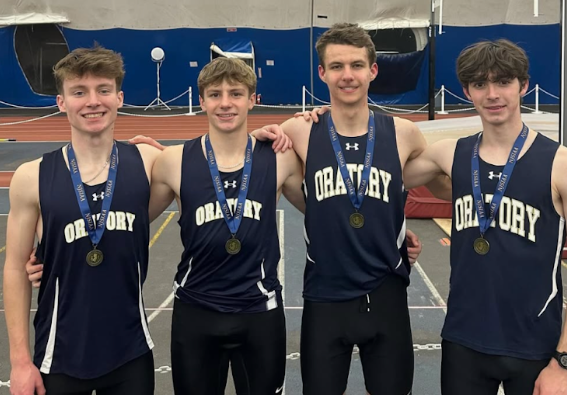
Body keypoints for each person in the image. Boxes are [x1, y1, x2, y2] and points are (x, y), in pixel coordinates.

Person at [255, 22, 441, 395]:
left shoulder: (403, 133)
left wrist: (399, 230)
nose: (347, 75)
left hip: (387, 293)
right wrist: (255, 136)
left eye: (356, 65)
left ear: (373, 70)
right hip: (326, 296)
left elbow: (444, 179)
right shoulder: (300, 130)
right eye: (336, 66)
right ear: (322, 73)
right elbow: (236, 167)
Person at [402, 39, 567, 395]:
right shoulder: (450, 155)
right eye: (480, 84)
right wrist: (327, 116)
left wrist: (563, 362)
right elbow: (386, 171)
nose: (492, 94)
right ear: (467, 91)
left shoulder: (560, 164)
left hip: (535, 343)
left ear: (523, 85)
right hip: (465, 339)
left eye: (503, 82)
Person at [4, 46, 160, 395]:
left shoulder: (148, 162)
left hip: (131, 353)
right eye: (79, 92)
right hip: (59, 358)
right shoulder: (32, 177)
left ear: (119, 97)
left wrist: (263, 135)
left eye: (103, 90)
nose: (93, 101)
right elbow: (15, 269)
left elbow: (212, 162)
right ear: (61, 102)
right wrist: (19, 361)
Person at [147, 57, 305, 394]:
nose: (225, 103)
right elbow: (129, 220)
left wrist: (392, 235)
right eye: (215, 94)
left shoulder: (280, 157)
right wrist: (47, 248)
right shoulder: (173, 161)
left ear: (252, 99)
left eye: (236, 93)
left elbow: (326, 211)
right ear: (201, 101)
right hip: (196, 311)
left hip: (259, 312)